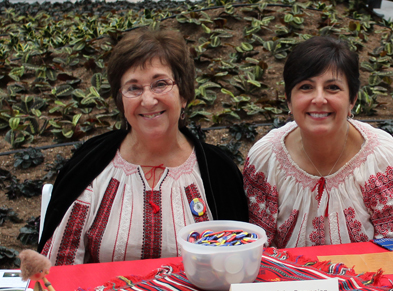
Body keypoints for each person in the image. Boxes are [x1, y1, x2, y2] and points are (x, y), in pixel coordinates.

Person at [39, 26, 248, 265]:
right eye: (134, 88)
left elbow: (235, 268)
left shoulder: (218, 173)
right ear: (121, 100)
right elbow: (59, 269)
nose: (148, 100)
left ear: (183, 94)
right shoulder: (91, 167)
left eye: (160, 84)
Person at [243, 36, 393, 248]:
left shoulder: (383, 161)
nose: (319, 99)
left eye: (333, 88)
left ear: (352, 99)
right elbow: (255, 251)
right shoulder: (266, 159)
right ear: (288, 100)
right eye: (306, 87)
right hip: (286, 280)